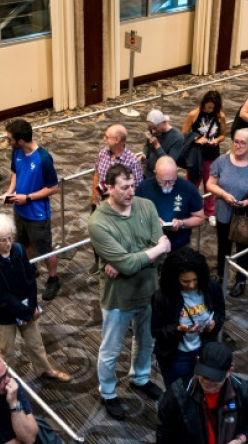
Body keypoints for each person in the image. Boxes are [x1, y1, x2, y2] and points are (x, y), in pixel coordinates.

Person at [88, 164, 172, 420]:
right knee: (111, 349)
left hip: (148, 290)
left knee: (146, 341)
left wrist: (131, 260)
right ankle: (108, 392)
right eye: (124, 187)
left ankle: (140, 377)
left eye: (133, 185)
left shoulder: (146, 205)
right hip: (117, 297)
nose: (131, 192)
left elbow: (161, 253)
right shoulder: (98, 223)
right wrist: (150, 252)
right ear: (109, 188)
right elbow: (148, 253)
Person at [0, 213, 72, 383]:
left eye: (10, 238)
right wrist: (27, 311)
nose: (8, 243)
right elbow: (0, 296)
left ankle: (45, 370)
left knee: (36, 344)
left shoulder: (20, 250)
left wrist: (33, 306)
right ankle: (5, 381)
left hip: (27, 308)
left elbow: (30, 279)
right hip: (4, 315)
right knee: (7, 351)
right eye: (3, 240)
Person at [155, 342, 248, 444]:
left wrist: (239, 441)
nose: (207, 382)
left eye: (215, 378)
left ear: (229, 371)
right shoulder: (177, 395)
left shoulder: (240, 390)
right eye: (204, 375)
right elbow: (163, 438)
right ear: (198, 361)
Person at [206, 128, 248, 298]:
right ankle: (221, 275)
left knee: (243, 249)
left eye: (243, 143)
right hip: (224, 212)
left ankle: (240, 280)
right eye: (236, 141)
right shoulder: (222, 160)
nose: (238, 145)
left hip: (245, 217)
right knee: (223, 247)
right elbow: (210, 184)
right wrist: (223, 194)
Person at [4, 119, 61, 300]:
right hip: (19, 210)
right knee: (22, 244)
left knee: (44, 249)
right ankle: (31, 268)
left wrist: (27, 197)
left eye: (9, 139)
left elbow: (53, 188)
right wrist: (10, 191)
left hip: (37, 214)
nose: (7, 142)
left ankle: (53, 279)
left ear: (21, 140)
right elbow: (15, 173)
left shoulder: (43, 158)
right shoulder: (16, 151)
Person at [151, 247, 224, 389]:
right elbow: (155, 330)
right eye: (185, 281)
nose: (191, 285)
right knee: (178, 394)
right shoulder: (163, 297)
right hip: (176, 356)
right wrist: (178, 329)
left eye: (195, 280)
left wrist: (214, 324)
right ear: (174, 278)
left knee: (201, 392)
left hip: (204, 351)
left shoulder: (211, 288)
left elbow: (220, 313)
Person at [136, 156, 205, 251]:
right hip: (150, 246)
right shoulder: (144, 187)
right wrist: (151, 220)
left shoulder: (188, 188)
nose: (167, 185)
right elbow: (134, 213)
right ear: (155, 173)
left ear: (176, 172)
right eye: (163, 182)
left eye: (171, 181)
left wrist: (181, 223)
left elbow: (200, 218)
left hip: (179, 246)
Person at [181, 91, 225, 219]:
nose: (210, 110)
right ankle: (189, 208)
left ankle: (210, 211)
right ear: (203, 104)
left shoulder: (220, 116)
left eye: (213, 108)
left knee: (210, 185)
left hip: (212, 155)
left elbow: (222, 135)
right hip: (196, 156)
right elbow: (184, 133)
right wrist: (196, 140)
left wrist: (216, 140)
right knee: (192, 183)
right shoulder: (193, 115)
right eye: (208, 107)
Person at [92, 124, 143, 206]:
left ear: (117, 140)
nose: (104, 139)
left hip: (120, 209)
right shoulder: (102, 154)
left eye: (107, 137)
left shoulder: (133, 161)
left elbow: (138, 189)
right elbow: (96, 176)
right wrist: (94, 201)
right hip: (101, 205)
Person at [142, 109, 184, 179]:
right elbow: (147, 145)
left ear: (164, 122)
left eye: (155, 128)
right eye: (150, 128)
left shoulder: (177, 137)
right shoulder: (153, 129)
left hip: (162, 177)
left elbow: (169, 163)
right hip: (148, 173)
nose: (153, 131)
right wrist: (144, 154)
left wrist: (157, 146)